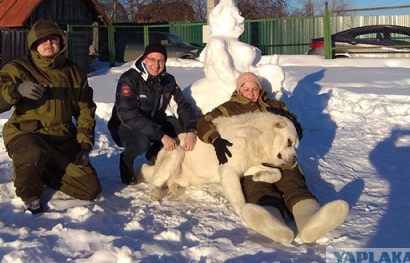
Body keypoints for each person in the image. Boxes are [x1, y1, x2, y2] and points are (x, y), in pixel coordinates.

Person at [196, 72, 348, 243]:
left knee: (292, 181)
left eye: (254, 88)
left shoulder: (275, 106)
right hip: (252, 158)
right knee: (258, 185)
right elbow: (203, 122)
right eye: (246, 89)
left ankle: (310, 217)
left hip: (280, 155)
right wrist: (215, 139)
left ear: (260, 89)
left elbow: (296, 130)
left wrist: (288, 125)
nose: (251, 93)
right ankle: (271, 219)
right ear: (239, 90)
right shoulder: (229, 108)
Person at [0, 19, 102, 214]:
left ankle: (42, 170)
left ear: (61, 42)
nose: (48, 44)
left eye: (53, 39)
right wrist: (16, 90)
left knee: (90, 189)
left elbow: (85, 109)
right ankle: (30, 195)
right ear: (34, 44)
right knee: (31, 153)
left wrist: (84, 144)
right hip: (27, 134)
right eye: (42, 40)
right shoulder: (19, 69)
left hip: (61, 138)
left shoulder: (74, 72)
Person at [109, 42, 198, 185]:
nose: (156, 65)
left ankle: (153, 151)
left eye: (160, 60)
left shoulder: (168, 81)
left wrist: (191, 130)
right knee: (142, 142)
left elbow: (182, 106)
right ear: (144, 59)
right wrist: (161, 135)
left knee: (179, 127)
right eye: (152, 59)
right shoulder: (129, 79)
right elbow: (128, 114)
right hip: (126, 125)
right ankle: (126, 160)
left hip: (153, 123)